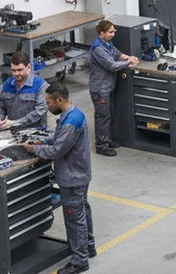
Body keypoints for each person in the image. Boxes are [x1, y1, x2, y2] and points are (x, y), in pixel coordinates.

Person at [23, 83, 95, 274]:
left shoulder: (71, 122)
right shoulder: (73, 114)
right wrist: (41, 140)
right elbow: (58, 137)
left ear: (59, 100)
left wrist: (34, 149)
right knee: (82, 211)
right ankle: (88, 247)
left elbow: (57, 150)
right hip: (80, 174)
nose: (47, 106)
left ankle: (80, 260)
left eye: (49, 102)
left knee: (74, 219)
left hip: (72, 178)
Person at [89, 20, 138, 157]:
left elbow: (116, 53)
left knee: (109, 114)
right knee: (103, 117)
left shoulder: (107, 43)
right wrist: (127, 63)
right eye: (110, 32)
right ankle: (101, 145)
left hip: (108, 87)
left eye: (114, 31)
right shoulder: (98, 49)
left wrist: (128, 57)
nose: (113, 34)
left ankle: (108, 139)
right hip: (100, 89)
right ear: (101, 34)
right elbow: (111, 65)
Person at [0, 51, 48, 130]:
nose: (16, 74)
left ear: (29, 67)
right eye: (13, 70)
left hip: (35, 132)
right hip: (12, 131)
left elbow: (39, 112)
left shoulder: (41, 86)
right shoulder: (6, 85)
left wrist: (15, 123)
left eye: (20, 70)